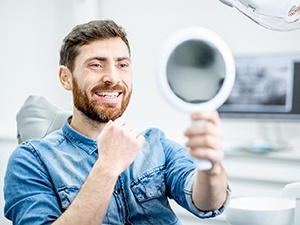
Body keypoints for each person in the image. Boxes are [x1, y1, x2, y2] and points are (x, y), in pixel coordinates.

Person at [4, 20, 231, 225]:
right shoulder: (31, 160)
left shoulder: (155, 144)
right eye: (96, 64)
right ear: (66, 78)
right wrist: (107, 167)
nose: (113, 78)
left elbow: (207, 202)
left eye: (122, 65)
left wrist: (210, 167)